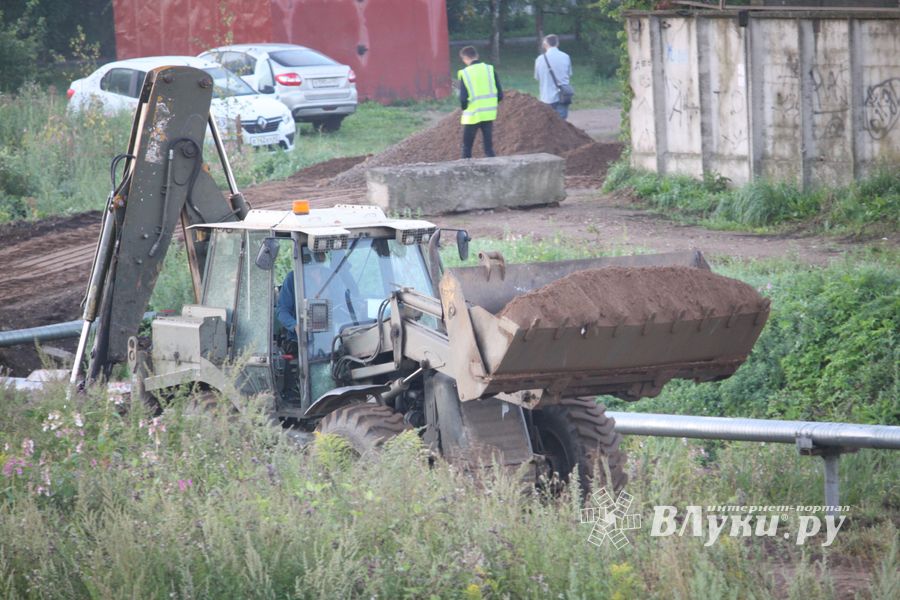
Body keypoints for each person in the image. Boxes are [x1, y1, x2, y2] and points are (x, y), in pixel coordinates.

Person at [458, 45, 503, 159]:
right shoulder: (490, 69)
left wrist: (464, 107)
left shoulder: (465, 73)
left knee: (467, 148)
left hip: (472, 115)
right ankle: (495, 171)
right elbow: (500, 94)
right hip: (489, 114)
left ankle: (465, 171)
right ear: (477, 55)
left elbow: (463, 98)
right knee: (488, 148)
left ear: (464, 59)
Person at [534, 34, 572, 120]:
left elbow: (537, 77)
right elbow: (568, 74)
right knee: (562, 124)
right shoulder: (566, 57)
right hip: (563, 95)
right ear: (557, 44)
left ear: (545, 44)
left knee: (549, 125)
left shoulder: (539, 59)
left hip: (546, 97)